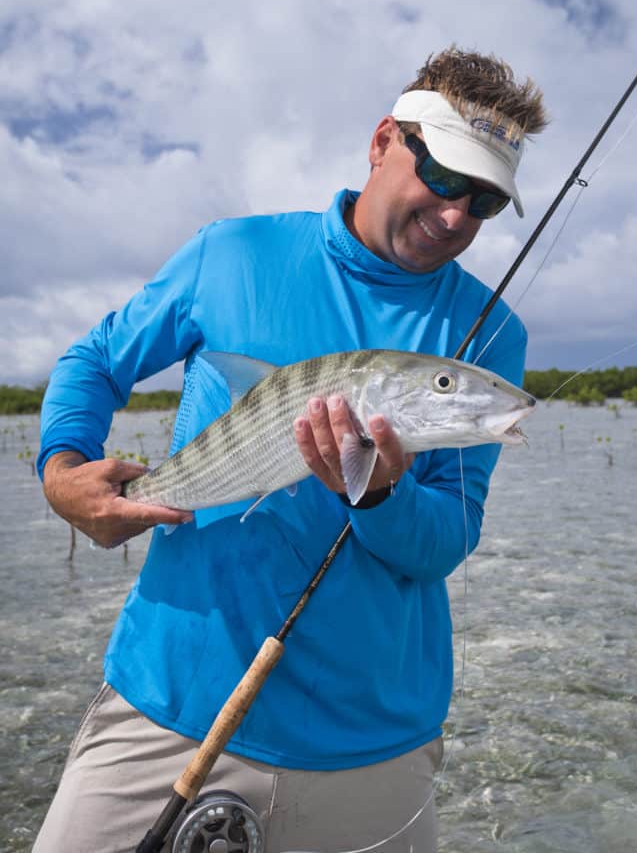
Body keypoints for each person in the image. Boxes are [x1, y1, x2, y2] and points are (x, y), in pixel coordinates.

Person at [35, 47, 547, 853]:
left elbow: (446, 539)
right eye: (445, 178)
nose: (456, 218)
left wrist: (378, 495)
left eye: (483, 201)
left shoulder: (490, 340)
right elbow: (94, 362)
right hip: (166, 700)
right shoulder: (232, 254)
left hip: (372, 744)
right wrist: (64, 473)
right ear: (384, 141)